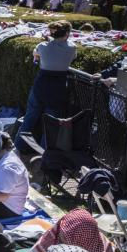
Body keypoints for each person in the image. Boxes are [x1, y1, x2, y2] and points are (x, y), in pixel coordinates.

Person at [16, 20, 76, 153]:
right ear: (67, 34)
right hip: (58, 88)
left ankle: (18, 147)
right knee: (51, 125)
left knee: (29, 118)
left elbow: (36, 54)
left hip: (41, 85)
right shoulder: (72, 48)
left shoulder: (42, 46)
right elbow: (69, 53)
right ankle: (45, 155)